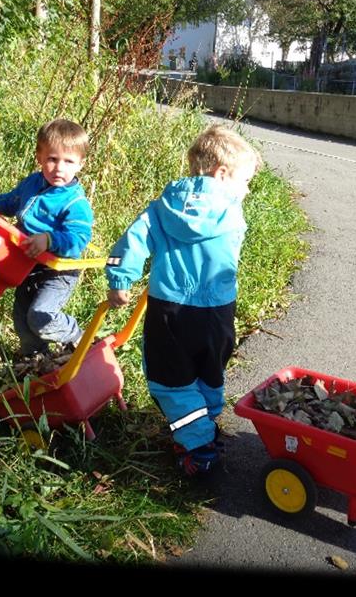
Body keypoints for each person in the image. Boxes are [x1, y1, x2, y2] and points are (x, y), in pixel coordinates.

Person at [105, 125, 262, 475]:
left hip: (171, 311)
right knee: (209, 370)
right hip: (219, 311)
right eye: (244, 180)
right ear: (221, 174)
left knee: (169, 379)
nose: (246, 190)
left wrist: (119, 279)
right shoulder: (232, 211)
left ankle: (198, 443)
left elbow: (134, 239)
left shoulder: (164, 208)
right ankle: (203, 428)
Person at [0, 119, 94, 367]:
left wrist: (49, 239)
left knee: (40, 316)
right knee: (21, 316)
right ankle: (35, 356)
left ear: (80, 164)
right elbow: (13, 201)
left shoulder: (75, 203)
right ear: (39, 157)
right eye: (52, 159)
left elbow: (78, 239)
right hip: (28, 263)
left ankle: (77, 337)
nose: (59, 168)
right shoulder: (33, 183)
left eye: (68, 162)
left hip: (58, 269)